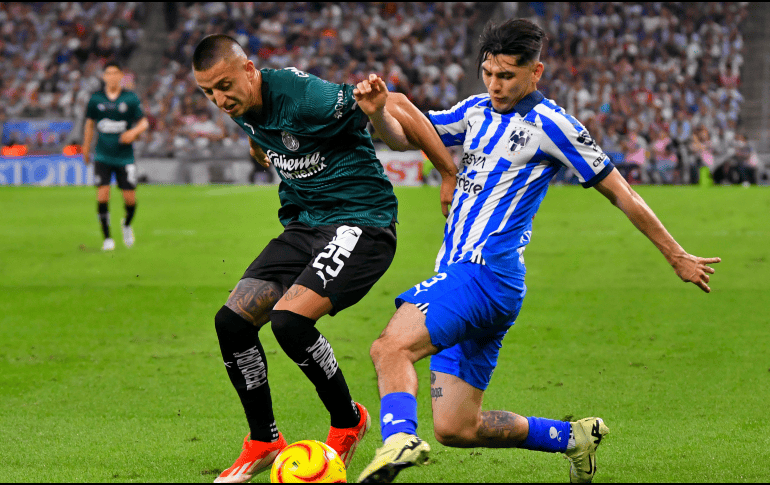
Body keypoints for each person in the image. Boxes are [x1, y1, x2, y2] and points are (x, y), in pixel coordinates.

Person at [352, 19, 721, 483]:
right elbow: (408, 136)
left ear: (535, 72)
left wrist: (676, 254)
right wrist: (377, 113)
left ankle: (398, 440)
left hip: (484, 274)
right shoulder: (474, 111)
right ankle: (573, 437)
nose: (495, 85)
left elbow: (622, 192)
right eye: (488, 73)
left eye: (506, 76)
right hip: (478, 283)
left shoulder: (554, 126)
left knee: (390, 348)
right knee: (456, 427)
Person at [191, 34, 456, 484]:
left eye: (224, 85)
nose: (219, 99)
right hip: (305, 225)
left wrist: (447, 172)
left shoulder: (307, 98)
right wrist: (261, 150)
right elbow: (269, 139)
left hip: (362, 222)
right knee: (231, 323)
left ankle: (347, 421)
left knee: (290, 323)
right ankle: (263, 441)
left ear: (250, 70)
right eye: (207, 92)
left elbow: (400, 102)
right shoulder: (242, 107)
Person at [82, 61, 149, 251]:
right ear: (104, 77)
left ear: (121, 76)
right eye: (108, 73)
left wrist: (133, 132)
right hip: (102, 155)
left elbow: (144, 123)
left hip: (125, 157)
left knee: (130, 200)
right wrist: (86, 147)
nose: (111, 76)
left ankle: (126, 224)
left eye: (115, 73)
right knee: (102, 195)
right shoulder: (96, 99)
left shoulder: (130, 98)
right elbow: (89, 124)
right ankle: (107, 238)